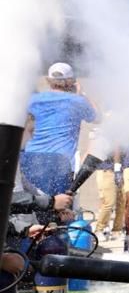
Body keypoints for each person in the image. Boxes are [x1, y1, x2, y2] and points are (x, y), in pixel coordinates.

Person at [21, 63, 97, 197]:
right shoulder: (76, 101)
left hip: (30, 158)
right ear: (71, 81)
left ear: (48, 80)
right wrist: (82, 94)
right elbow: (97, 117)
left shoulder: (34, 100)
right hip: (60, 162)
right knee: (59, 209)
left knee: (34, 207)